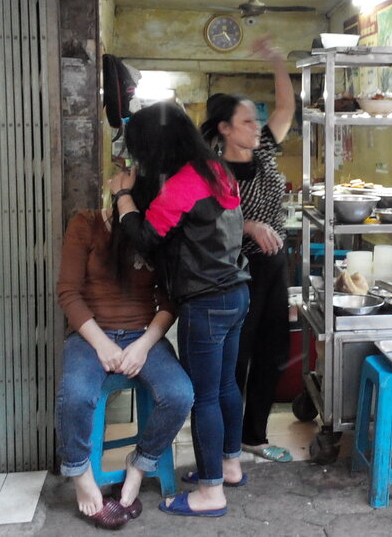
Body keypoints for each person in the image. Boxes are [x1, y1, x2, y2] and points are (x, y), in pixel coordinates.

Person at [108, 101, 250, 518]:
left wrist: (123, 197)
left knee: (204, 398)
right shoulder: (217, 170)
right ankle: (229, 466)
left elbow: (146, 237)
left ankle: (210, 492)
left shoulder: (181, 185)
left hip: (205, 303)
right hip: (237, 293)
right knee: (225, 386)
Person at [55, 205, 193, 529]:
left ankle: (139, 464)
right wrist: (102, 344)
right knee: (75, 395)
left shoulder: (157, 230)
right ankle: (81, 475)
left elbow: (169, 301)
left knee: (180, 394)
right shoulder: (86, 223)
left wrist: (143, 345)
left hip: (143, 335)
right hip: (89, 334)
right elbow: (68, 293)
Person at [198, 36, 295, 464]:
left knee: (274, 352)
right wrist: (247, 225)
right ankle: (227, 443)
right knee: (236, 357)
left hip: (274, 266)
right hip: (235, 271)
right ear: (224, 128)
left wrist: (277, 60)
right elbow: (203, 225)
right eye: (247, 121)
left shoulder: (266, 149)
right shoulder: (210, 169)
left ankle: (255, 435)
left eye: (257, 119)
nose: (257, 126)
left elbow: (286, 108)